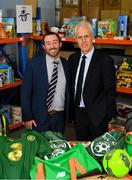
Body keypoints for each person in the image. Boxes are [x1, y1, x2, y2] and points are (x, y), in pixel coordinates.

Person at [68, 21, 116, 141]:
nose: (83, 41)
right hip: (78, 114)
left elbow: (110, 91)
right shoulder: (73, 59)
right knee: (82, 149)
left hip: (98, 116)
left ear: (93, 37)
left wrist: (106, 116)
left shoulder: (105, 60)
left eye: (86, 36)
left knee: (97, 152)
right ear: (76, 40)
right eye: (80, 37)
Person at [21, 32, 69, 134]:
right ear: (44, 46)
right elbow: (25, 93)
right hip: (39, 117)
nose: (52, 46)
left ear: (60, 44)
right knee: (40, 148)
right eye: (48, 43)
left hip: (60, 117)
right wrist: (27, 117)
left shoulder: (67, 65)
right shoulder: (34, 65)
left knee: (59, 146)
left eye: (55, 42)